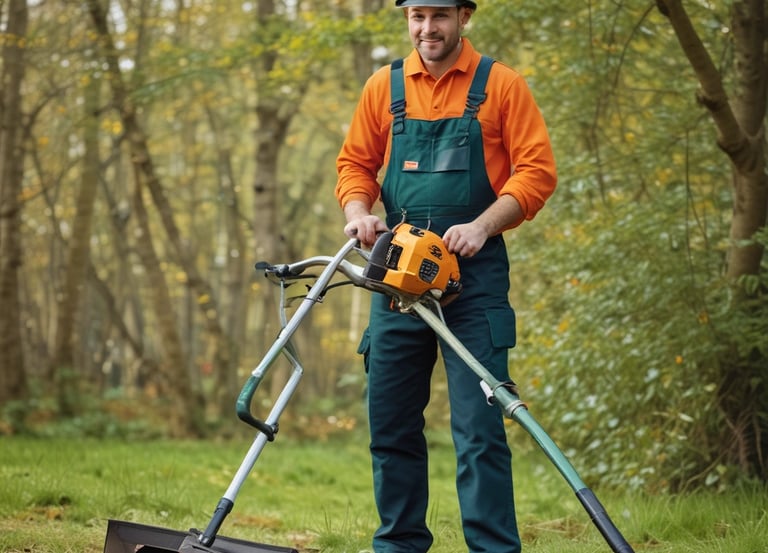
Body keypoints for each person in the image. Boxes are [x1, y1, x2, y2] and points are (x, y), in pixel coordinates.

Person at [335, 1, 557, 551]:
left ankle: (492, 548)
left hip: (474, 280)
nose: (427, 28)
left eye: (438, 15)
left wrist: (482, 226)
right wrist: (358, 213)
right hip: (397, 274)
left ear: (464, 16)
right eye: (417, 16)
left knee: (480, 431)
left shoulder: (501, 85)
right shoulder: (383, 87)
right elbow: (355, 165)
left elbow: (537, 172)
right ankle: (399, 545)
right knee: (390, 426)